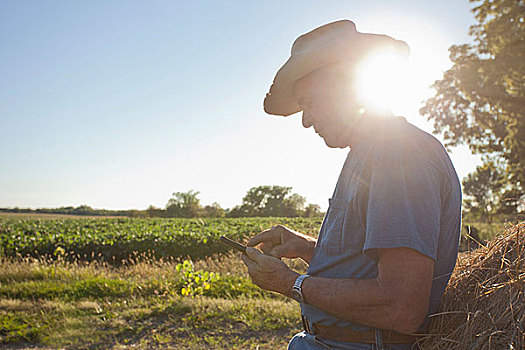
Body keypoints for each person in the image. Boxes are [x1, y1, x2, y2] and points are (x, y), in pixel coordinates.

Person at [240, 20, 462, 350]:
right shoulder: (371, 152)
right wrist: (306, 248)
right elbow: (371, 267)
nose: (305, 120)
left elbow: (400, 306)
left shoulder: (397, 154)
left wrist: (290, 283)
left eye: (309, 101)